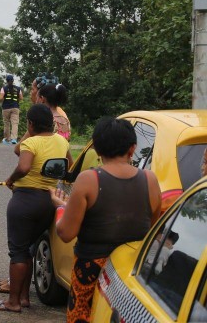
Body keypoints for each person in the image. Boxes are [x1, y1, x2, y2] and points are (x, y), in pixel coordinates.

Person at [50, 117, 161, 323]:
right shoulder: (150, 180)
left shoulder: (88, 180)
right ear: (132, 148)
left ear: (97, 150)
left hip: (90, 274)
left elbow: (66, 233)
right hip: (130, 273)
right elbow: (154, 230)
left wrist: (61, 209)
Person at [0, 104, 72, 313]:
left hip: (25, 201)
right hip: (49, 201)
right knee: (29, 249)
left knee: (18, 252)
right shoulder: (62, 141)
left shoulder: (31, 143)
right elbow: (68, 167)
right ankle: (25, 297)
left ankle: (13, 302)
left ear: (30, 124)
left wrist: (11, 179)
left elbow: (24, 166)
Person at [0, 75, 23, 145]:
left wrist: (2, 100)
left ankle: (7, 139)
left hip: (6, 108)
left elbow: (1, 98)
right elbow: (21, 98)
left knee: (6, 123)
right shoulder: (18, 88)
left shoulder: (4, 88)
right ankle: (14, 139)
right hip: (15, 107)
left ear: (6, 81)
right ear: (13, 80)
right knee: (15, 123)